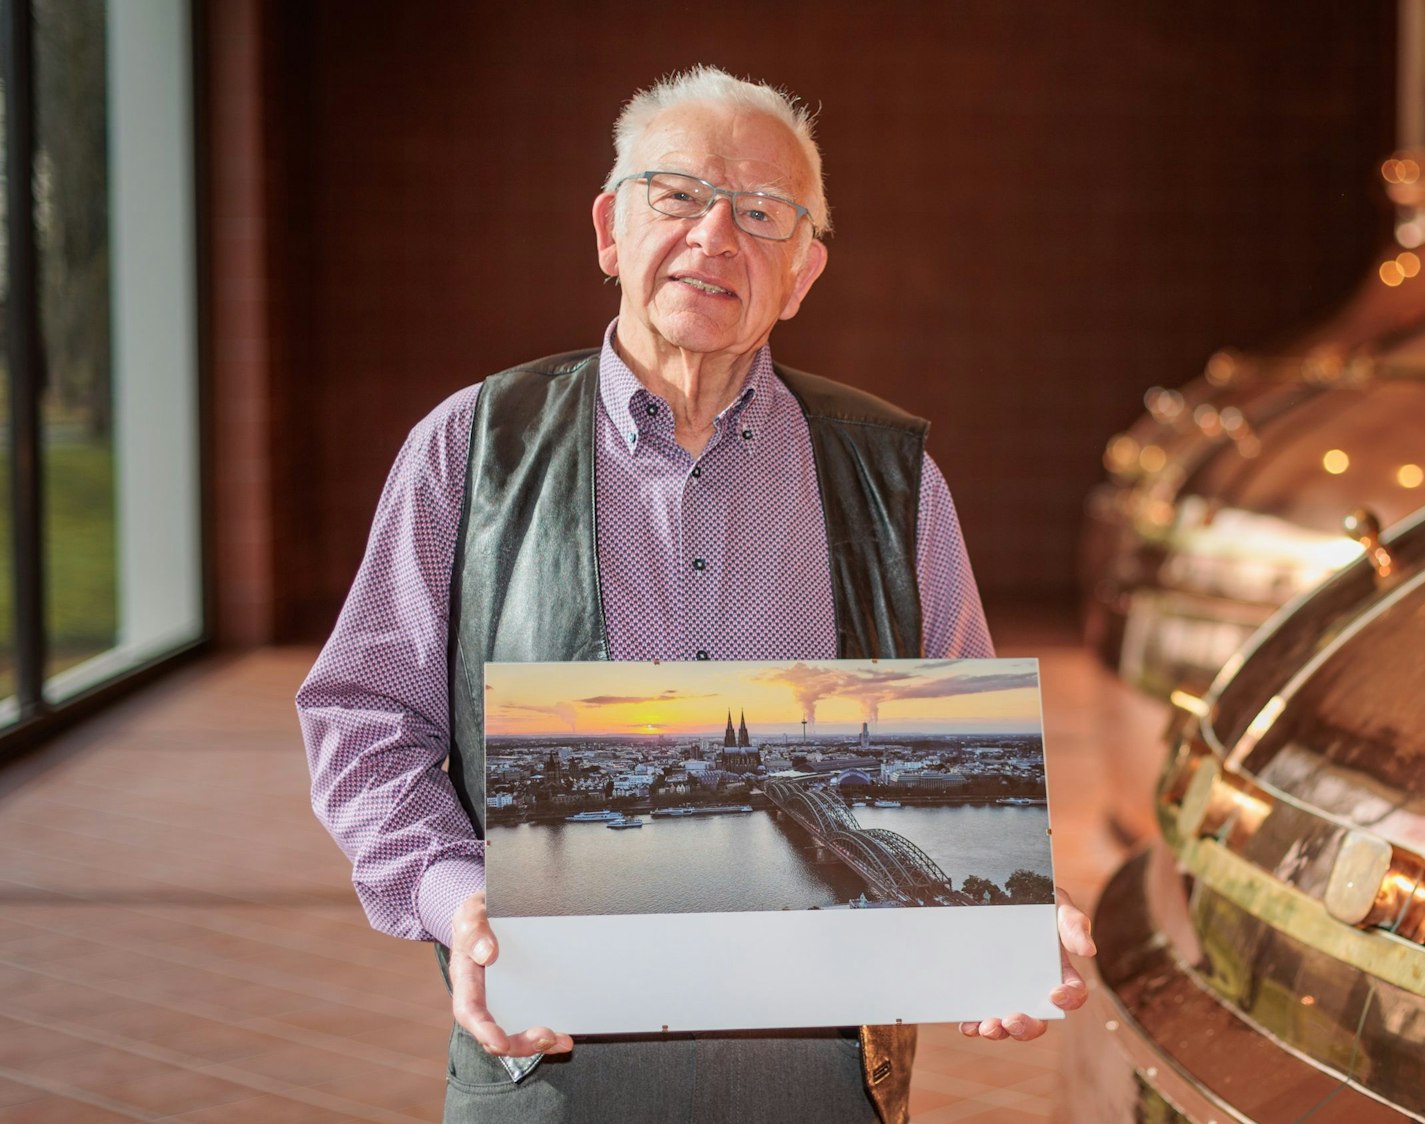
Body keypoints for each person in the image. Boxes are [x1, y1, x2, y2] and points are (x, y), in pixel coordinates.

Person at [298, 64, 1094, 1123]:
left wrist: (998, 910)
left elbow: (956, 764)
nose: (716, 236)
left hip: (825, 1076)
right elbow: (364, 717)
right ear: (608, 231)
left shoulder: (888, 476)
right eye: (677, 196)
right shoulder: (470, 449)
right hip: (549, 1060)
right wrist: (462, 896)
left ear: (803, 272)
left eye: (762, 212)